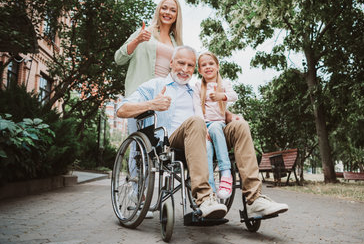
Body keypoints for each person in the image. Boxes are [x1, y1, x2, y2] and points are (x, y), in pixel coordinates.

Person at [117, 45, 289, 219]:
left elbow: (214, 111)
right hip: (173, 141)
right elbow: (121, 109)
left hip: (207, 136)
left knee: (240, 126)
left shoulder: (197, 89)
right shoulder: (156, 85)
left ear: (194, 69)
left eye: (190, 65)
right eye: (181, 63)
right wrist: (152, 104)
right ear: (171, 63)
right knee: (196, 122)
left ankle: (255, 200)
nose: (185, 70)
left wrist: (230, 116)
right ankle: (205, 198)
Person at [114, 0, 182, 217]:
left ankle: (163, 196)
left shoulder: (176, 43)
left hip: (164, 99)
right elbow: (119, 58)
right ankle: (138, 195)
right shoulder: (144, 31)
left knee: (163, 149)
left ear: (176, 15)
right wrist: (136, 42)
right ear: (158, 10)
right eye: (164, 7)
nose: (168, 12)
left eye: (172, 10)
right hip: (140, 95)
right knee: (137, 149)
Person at [193, 52, 237, 199]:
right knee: (207, 147)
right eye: (203, 65)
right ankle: (210, 188)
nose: (208, 67)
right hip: (205, 126)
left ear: (217, 66)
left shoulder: (224, 84)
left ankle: (225, 172)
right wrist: (203, 128)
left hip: (219, 126)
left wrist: (221, 96)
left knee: (216, 127)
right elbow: (197, 108)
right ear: (199, 70)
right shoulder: (198, 86)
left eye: (211, 63)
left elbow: (234, 96)